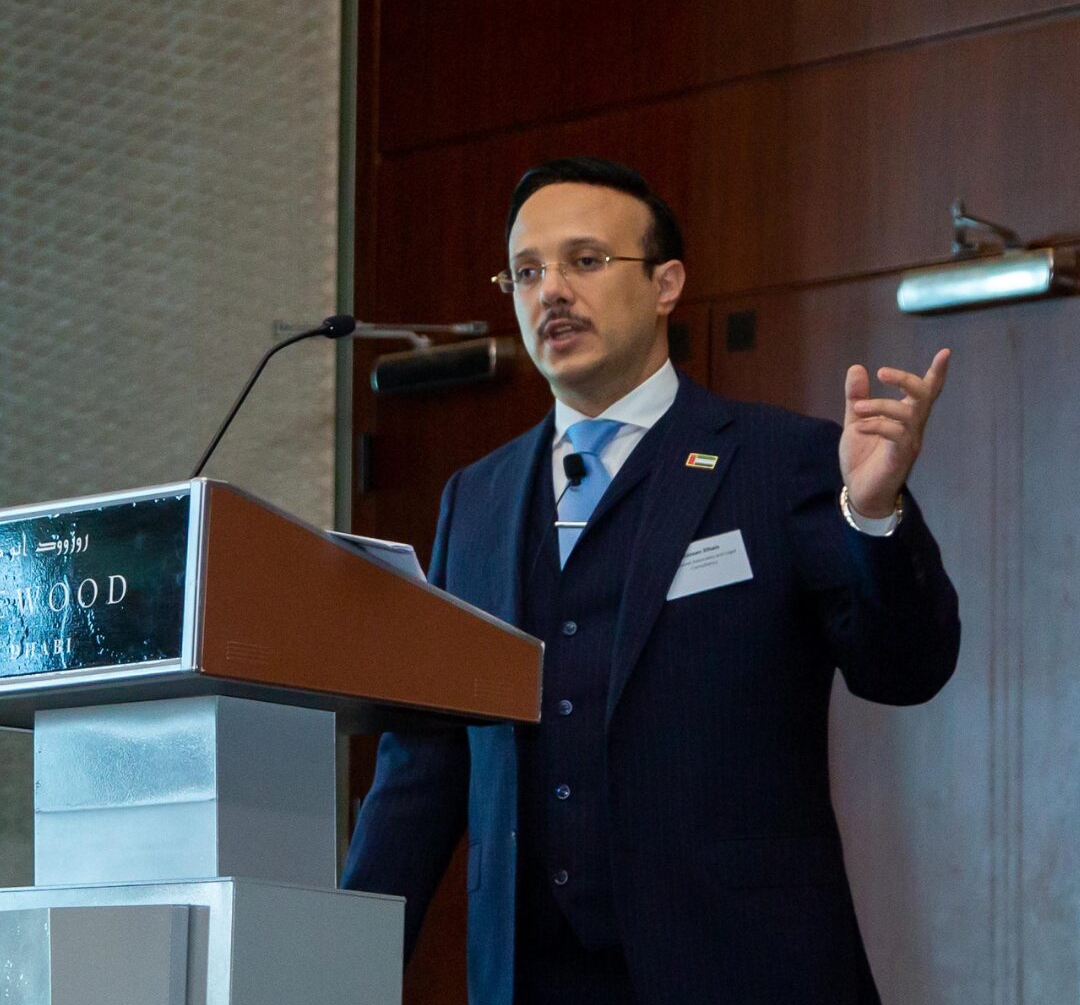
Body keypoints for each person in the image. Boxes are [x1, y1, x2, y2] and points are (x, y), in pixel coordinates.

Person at [342, 157, 960, 1005]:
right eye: (527, 272)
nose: (552, 292)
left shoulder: (783, 461)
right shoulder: (475, 500)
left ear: (666, 284)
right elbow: (425, 763)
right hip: (532, 976)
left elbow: (906, 669)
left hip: (744, 969)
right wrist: (337, 961)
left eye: (586, 261)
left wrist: (874, 514)